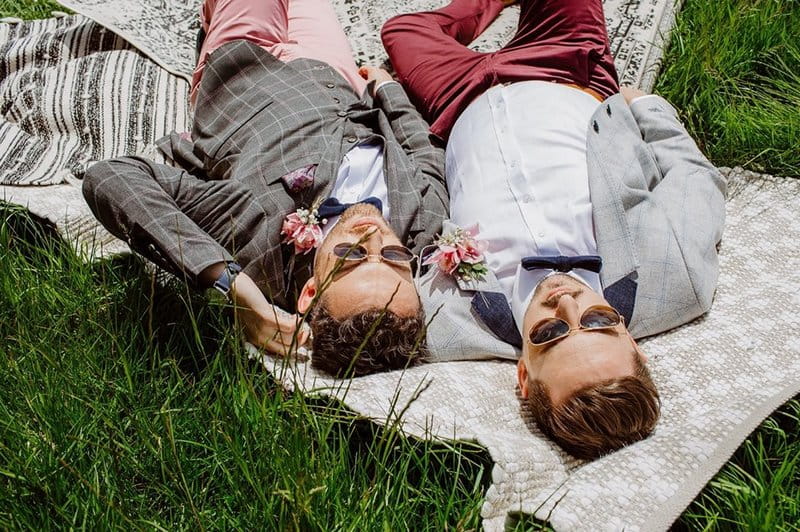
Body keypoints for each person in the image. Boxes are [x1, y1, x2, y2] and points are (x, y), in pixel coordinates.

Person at [382, 0, 726, 458]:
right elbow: (697, 180)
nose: (566, 302)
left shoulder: (449, 326)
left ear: (524, 375)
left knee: (400, 29)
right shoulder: (677, 281)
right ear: (635, 346)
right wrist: (645, 106)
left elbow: (357, 314)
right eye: (598, 321)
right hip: (566, 70)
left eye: (548, 334)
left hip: (456, 99)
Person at [83, 0, 448, 376]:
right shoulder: (425, 224)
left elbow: (111, 178)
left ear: (310, 294)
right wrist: (388, 90)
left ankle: (210, 23)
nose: (373, 237)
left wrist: (232, 286)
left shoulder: (258, 243)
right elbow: (422, 150)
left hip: (244, 68)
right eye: (393, 257)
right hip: (334, 73)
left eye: (350, 255)